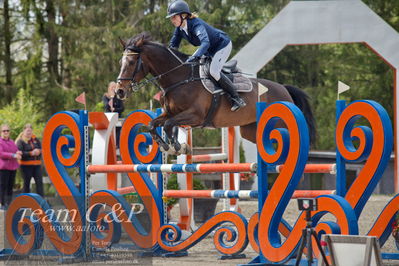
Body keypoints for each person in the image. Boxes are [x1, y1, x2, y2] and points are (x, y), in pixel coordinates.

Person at [167, 0, 246, 112]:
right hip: (209, 50)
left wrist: (195, 56)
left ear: (183, 15)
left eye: (174, 17)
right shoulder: (179, 29)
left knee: (213, 71)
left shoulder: (196, 24)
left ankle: (236, 98)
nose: (172, 20)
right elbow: (173, 46)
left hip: (222, 45)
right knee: (200, 69)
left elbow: (205, 43)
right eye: (171, 18)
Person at [16, 124, 44, 196]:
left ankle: (41, 202)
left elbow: (42, 149)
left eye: (30, 131)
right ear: (24, 131)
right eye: (27, 130)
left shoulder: (35, 139)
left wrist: (39, 151)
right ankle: (25, 203)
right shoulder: (20, 141)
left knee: (39, 183)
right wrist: (31, 153)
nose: (29, 132)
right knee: (26, 185)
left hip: (37, 165)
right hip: (26, 166)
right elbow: (20, 153)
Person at [0, 124, 21, 209]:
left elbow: (16, 150)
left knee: (10, 186)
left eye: (7, 130)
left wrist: (19, 153)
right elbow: (1, 154)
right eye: (4, 131)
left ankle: (9, 203)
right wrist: (13, 155)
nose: (6, 132)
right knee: (3, 186)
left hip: (13, 167)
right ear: (1, 132)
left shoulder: (12, 141)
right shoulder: (0, 142)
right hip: (3, 168)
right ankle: (2, 204)